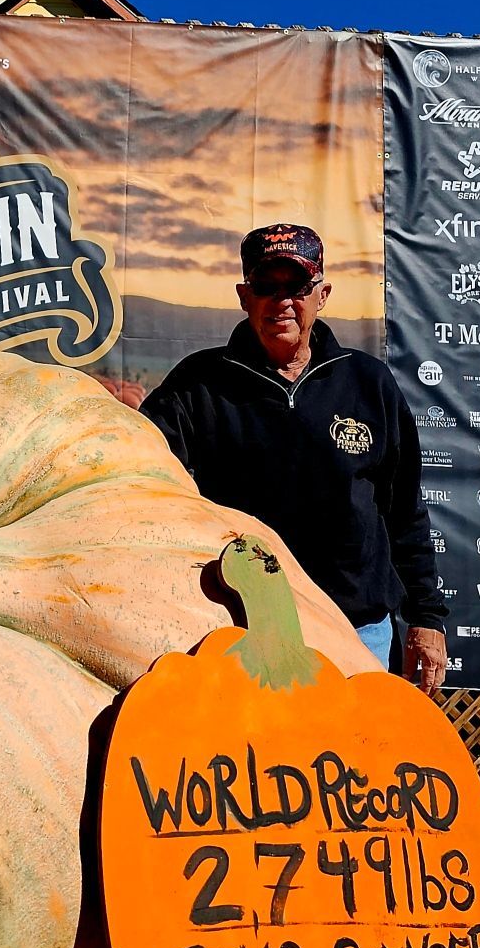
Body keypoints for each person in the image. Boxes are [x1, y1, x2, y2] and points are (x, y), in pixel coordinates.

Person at [140, 224, 449, 693]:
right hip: (241, 631)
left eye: (298, 287)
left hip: (358, 629)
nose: (282, 301)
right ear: (245, 295)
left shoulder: (369, 383)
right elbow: (144, 482)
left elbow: (404, 511)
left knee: (356, 761)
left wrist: (426, 618)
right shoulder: (196, 385)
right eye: (267, 286)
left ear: (322, 294)